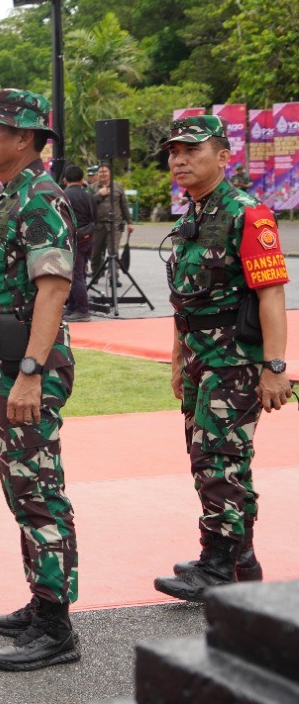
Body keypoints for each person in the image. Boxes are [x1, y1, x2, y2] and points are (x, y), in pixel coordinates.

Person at [0, 89, 80, 671]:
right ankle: (41, 599)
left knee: (39, 492)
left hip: (23, 371)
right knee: (21, 490)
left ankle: (57, 627)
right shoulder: (12, 195)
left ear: (27, 138)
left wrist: (31, 372)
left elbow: (53, 289)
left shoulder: (41, 198)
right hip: (0, 368)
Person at [153, 115, 290, 602]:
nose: (180, 160)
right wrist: (176, 358)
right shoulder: (194, 214)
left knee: (220, 460)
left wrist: (275, 367)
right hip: (199, 358)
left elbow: (271, 295)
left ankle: (218, 563)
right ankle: (239, 559)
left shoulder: (246, 213)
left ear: (223, 156)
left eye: (192, 150)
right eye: (174, 152)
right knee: (206, 458)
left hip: (234, 361)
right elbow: (183, 299)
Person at [61, 165, 96, 323]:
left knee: (75, 276)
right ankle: (72, 307)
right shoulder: (89, 195)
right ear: (82, 180)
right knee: (79, 273)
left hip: (73, 238)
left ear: (64, 180)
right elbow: (95, 216)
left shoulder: (64, 195)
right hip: (88, 237)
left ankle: (83, 310)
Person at [90, 164, 133, 278]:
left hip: (114, 225)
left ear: (110, 173)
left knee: (113, 252)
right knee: (96, 253)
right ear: (97, 174)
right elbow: (89, 204)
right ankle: (95, 274)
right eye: (100, 172)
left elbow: (124, 205)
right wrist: (99, 194)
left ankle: (113, 276)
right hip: (98, 226)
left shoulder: (118, 186)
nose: (103, 174)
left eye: (105, 171)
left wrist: (130, 222)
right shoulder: (93, 187)